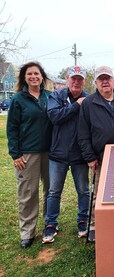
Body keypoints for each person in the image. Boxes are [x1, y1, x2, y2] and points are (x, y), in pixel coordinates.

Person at [78, 66, 114, 242]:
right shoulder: (88, 103)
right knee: (99, 193)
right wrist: (90, 157)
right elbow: (83, 133)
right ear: (96, 83)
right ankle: (94, 225)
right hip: (101, 158)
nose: (105, 81)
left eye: (108, 78)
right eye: (101, 79)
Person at [7, 61, 53, 248]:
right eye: (29, 74)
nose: (33, 77)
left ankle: (50, 223)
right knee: (28, 193)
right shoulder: (18, 99)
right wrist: (16, 154)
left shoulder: (50, 97)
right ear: (24, 78)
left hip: (50, 152)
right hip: (28, 153)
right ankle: (27, 232)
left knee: (50, 191)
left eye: (36, 74)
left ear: (42, 76)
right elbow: (12, 128)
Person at [42, 66, 90, 244]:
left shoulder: (89, 98)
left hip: (80, 155)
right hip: (58, 154)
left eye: (80, 79)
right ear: (67, 79)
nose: (76, 82)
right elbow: (54, 117)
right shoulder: (56, 96)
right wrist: (76, 106)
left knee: (84, 191)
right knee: (54, 192)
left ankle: (83, 221)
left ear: (84, 81)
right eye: (73, 78)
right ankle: (51, 224)